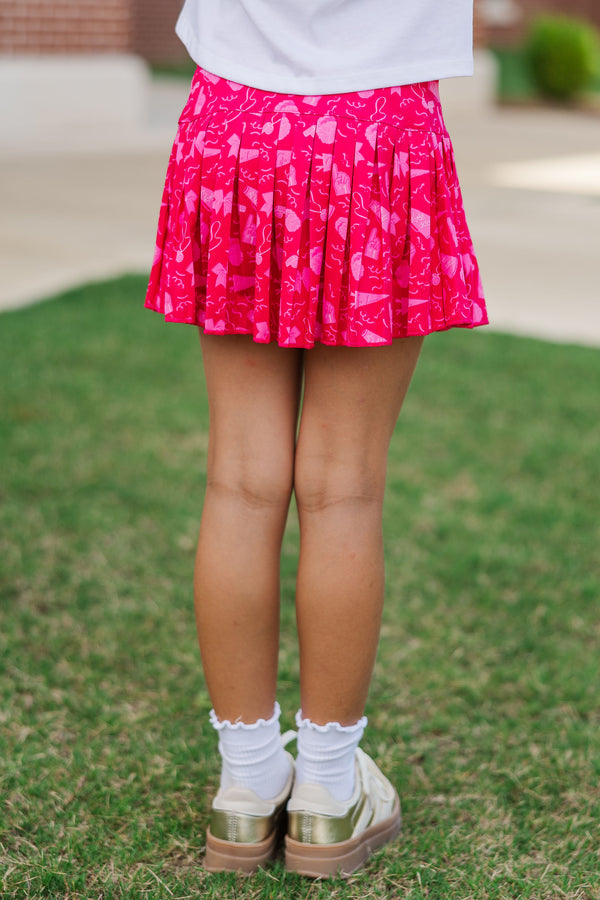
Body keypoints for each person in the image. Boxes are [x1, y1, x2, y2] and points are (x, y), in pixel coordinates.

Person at [145, 0, 488, 878]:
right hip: (381, 128)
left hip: (235, 124)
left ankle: (247, 781)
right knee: (344, 486)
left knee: (239, 480)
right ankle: (329, 793)